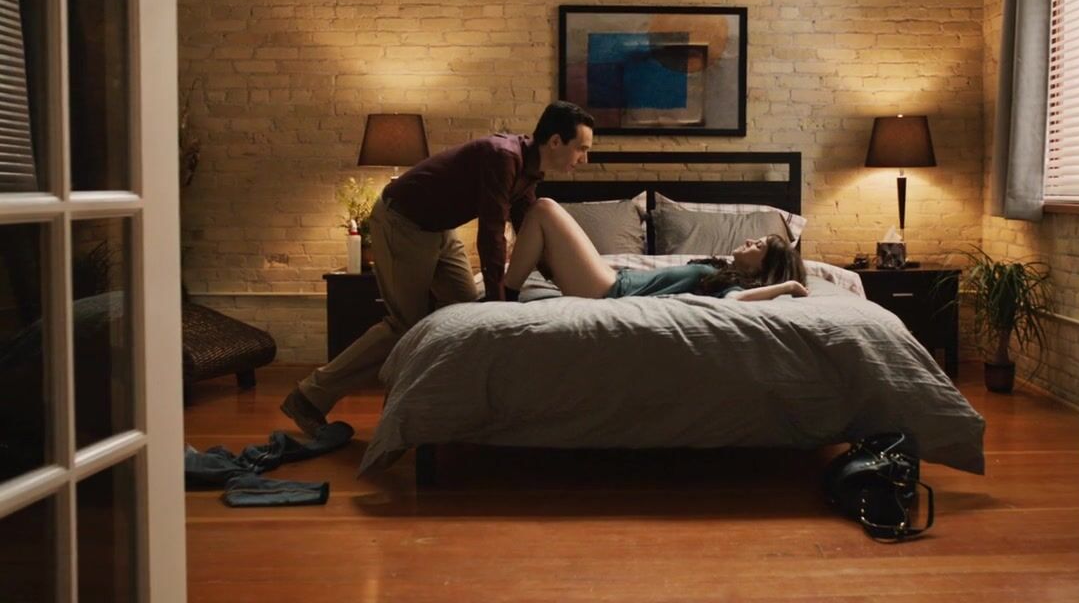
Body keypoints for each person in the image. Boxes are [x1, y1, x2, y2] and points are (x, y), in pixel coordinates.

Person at [281, 101, 595, 435]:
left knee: (464, 313)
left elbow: (528, 230)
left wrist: (561, 280)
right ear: (556, 142)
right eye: (582, 149)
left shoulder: (529, 173)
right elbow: (491, 235)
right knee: (406, 325)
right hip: (402, 221)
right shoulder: (504, 157)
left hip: (440, 229)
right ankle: (309, 397)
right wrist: (499, 305)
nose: (584, 159)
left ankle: (450, 403)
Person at [502, 198, 808, 301]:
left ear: (761, 268)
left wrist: (788, 286)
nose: (751, 240)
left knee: (544, 208)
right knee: (542, 229)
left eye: (759, 246)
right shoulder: (722, 272)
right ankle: (509, 287)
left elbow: (736, 301)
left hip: (609, 289)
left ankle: (503, 296)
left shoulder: (732, 285)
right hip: (609, 278)